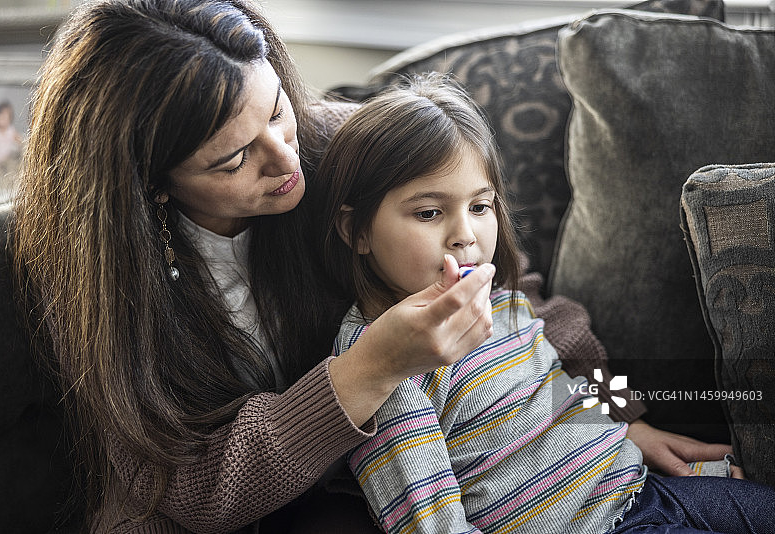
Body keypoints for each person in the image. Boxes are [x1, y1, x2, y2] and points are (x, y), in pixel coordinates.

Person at [7, 0, 740, 531]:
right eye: (234, 158)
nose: (285, 159)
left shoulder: (343, 151)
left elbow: (520, 307)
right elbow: (186, 489)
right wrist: (368, 371)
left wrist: (621, 418)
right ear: (150, 184)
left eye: (275, 112)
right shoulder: (111, 289)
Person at [309, 74, 774, 534]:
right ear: (358, 232)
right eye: (429, 212)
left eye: (480, 206)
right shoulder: (385, 365)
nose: (465, 235)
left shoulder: (502, 300)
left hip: (644, 489)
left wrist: (629, 424)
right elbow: (431, 524)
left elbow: (561, 383)